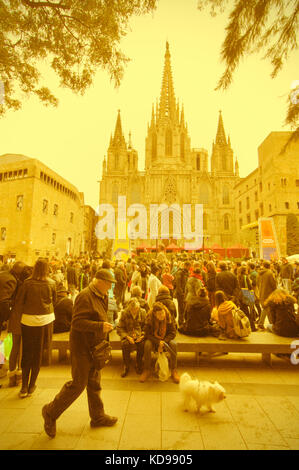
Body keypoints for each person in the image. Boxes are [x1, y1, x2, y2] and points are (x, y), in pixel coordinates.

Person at [42, 268, 117, 438]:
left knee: (94, 383)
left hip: (95, 347)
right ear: (100, 281)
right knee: (78, 384)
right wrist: (100, 326)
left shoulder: (101, 295)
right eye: (109, 284)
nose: (110, 287)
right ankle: (50, 412)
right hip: (81, 348)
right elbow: (77, 323)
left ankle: (97, 416)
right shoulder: (85, 296)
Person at [16, 258, 56, 398]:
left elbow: (20, 301)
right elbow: (54, 301)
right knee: (38, 353)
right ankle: (32, 384)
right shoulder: (51, 283)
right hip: (45, 320)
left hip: (28, 320)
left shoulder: (27, 283)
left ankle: (24, 387)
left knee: (27, 352)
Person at [140, 302, 179, 384]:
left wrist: (164, 342)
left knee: (174, 344)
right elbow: (147, 333)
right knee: (147, 345)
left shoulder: (168, 316)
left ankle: (174, 369)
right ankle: (146, 369)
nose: (162, 315)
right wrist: (158, 342)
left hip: (166, 339)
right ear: (154, 314)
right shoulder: (150, 318)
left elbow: (173, 333)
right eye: (159, 314)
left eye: (162, 313)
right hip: (154, 340)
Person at [7, 264, 33, 388]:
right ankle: (19, 377)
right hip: (24, 319)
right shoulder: (26, 287)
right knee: (23, 349)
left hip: (15, 318)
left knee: (14, 347)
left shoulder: (15, 284)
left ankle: (12, 377)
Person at [116, 298, 146, 377]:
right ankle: (126, 365)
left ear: (138, 307)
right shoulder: (125, 313)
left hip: (139, 335)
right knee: (125, 344)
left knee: (142, 344)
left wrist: (142, 335)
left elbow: (146, 327)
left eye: (135, 309)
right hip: (128, 334)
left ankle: (139, 363)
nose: (134, 311)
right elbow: (119, 328)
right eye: (132, 309)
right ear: (129, 308)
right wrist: (127, 336)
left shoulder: (143, 312)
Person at [257, 260, 277, 329]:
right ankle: (269, 323)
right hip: (269, 293)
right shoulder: (270, 273)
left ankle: (263, 323)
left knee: (266, 308)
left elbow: (257, 283)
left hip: (262, 293)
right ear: (269, 266)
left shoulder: (259, 273)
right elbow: (273, 284)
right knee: (268, 308)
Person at [175, 261, 191, 328]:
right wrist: (181, 293)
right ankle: (180, 322)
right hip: (181, 294)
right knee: (181, 308)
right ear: (185, 266)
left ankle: (183, 321)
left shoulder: (186, 272)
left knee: (184, 308)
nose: (189, 268)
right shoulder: (180, 272)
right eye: (188, 267)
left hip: (185, 293)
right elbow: (178, 284)